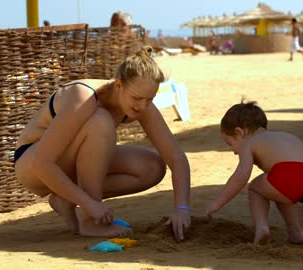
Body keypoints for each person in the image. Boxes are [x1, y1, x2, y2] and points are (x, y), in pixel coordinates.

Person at [14, 46, 191, 241]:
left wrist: (181, 209)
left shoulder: (142, 104)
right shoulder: (85, 97)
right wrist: (88, 204)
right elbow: (42, 163)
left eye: (150, 99)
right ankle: (90, 220)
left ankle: (65, 199)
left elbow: (176, 158)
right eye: (137, 98)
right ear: (118, 85)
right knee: (100, 120)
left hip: (64, 161)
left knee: (152, 167)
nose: (142, 106)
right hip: (31, 163)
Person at [205, 100, 303, 245]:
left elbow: (241, 175)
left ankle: (262, 228)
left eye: (230, 143)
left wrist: (217, 204)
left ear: (239, 132)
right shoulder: (285, 136)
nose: (233, 151)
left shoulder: (250, 143)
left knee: (256, 187)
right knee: (278, 190)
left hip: (291, 177)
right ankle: (296, 232)